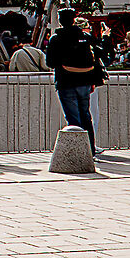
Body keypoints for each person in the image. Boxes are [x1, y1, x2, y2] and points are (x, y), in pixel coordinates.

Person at [49, 10, 103, 154]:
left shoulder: (56, 38)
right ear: (73, 20)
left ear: (60, 20)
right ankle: (90, 148)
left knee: (73, 118)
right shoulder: (85, 36)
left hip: (66, 81)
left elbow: (50, 62)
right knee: (86, 115)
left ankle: (79, 152)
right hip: (85, 80)